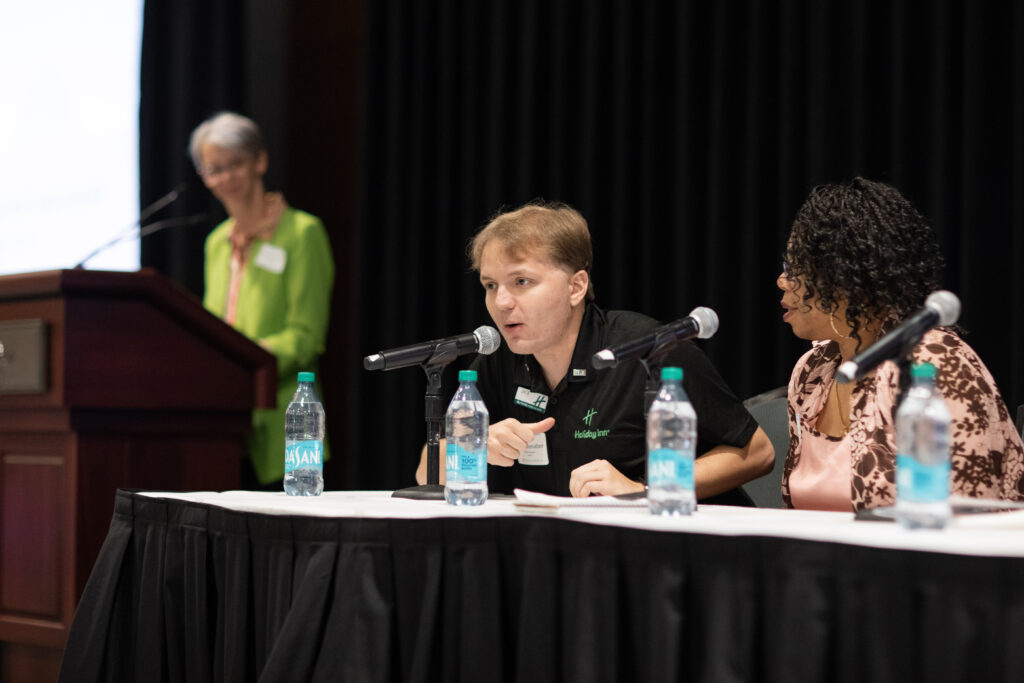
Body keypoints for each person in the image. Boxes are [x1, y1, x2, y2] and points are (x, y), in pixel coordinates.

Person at [416, 201, 773, 499]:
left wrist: (644, 490)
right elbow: (425, 472)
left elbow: (757, 452)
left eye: (521, 282)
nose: (502, 302)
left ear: (576, 286)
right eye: (490, 285)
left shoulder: (650, 350)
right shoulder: (496, 361)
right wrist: (473, 446)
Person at [777, 177, 1024, 511]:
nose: (782, 281)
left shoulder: (935, 363)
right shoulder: (811, 373)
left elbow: (972, 514)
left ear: (843, 276)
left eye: (795, 268)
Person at [191, 111, 334, 488]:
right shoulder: (216, 243)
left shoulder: (302, 233)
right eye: (213, 169)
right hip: (223, 420)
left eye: (234, 164)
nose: (225, 178)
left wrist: (244, 360)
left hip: (287, 417)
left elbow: (306, 336)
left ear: (260, 161)